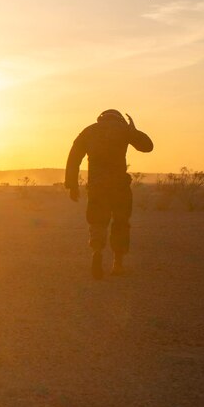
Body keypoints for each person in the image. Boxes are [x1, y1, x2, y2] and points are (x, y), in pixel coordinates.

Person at [64, 109, 154, 279]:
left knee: (97, 222)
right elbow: (147, 147)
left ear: (101, 118)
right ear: (119, 119)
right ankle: (117, 263)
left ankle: (97, 252)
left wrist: (72, 185)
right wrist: (133, 131)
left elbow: (74, 158)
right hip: (119, 187)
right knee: (120, 222)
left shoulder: (89, 131)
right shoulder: (123, 130)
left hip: (97, 188)